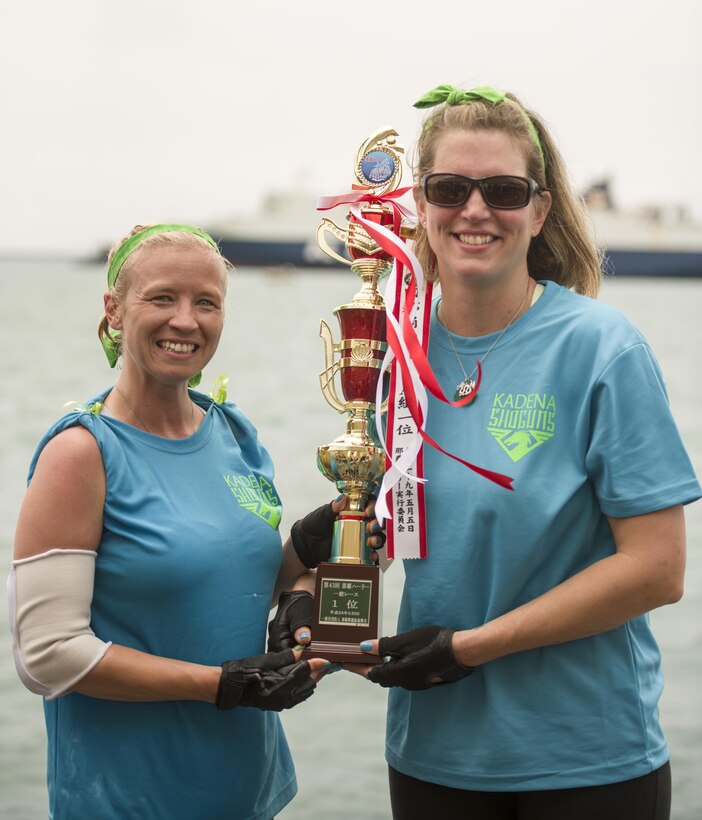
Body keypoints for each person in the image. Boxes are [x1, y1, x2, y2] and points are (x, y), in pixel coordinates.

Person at [351, 85, 701, 819]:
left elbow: (657, 570)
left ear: (539, 211)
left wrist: (470, 648)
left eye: (503, 191)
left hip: (586, 761)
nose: (475, 210)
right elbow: (392, 522)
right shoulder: (396, 354)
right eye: (450, 188)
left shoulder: (602, 348)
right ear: (421, 203)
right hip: (432, 755)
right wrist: (311, 572)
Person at [8, 223, 341, 820]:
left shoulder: (232, 431)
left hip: (248, 790)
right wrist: (220, 684)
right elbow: (47, 653)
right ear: (113, 310)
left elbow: (226, 586)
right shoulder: (82, 453)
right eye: (162, 297)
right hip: (127, 800)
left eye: (206, 303)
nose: (185, 321)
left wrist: (304, 557)